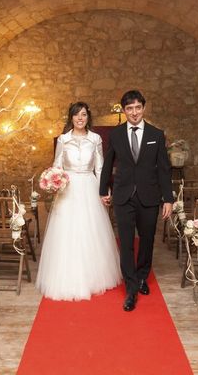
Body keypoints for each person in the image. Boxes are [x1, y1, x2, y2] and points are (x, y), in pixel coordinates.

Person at [35, 102, 121, 301]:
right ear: (71, 118)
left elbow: (100, 168)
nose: (80, 118)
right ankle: (66, 277)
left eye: (83, 115)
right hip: (69, 188)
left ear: (88, 117)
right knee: (67, 232)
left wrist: (104, 190)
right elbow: (57, 166)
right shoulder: (63, 140)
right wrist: (54, 181)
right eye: (76, 115)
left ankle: (94, 276)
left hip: (90, 186)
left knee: (90, 230)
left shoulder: (95, 139)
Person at [99, 90, 173, 311]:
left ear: (143, 108)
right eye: (129, 108)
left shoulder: (156, 135)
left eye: (137, 107)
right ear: (124, 110)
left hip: (149, 196)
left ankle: (142, 277)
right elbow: (108, 163)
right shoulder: (117, 134)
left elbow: (164, 170)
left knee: (147, 240)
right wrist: (104, 189)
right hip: (123, 196)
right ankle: (131, 288)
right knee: (126, 242)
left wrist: (168, 199)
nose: (134, 112)